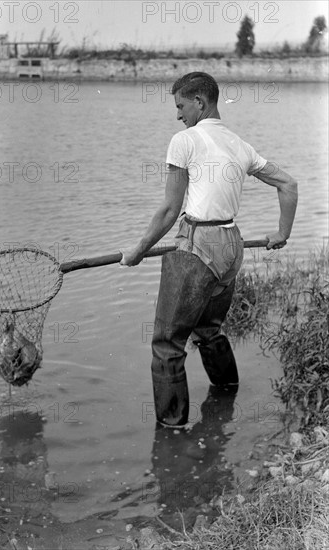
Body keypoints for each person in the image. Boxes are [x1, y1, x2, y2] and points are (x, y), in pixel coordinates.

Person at [120, 72, 298, 428]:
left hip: (199, 246)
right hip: (231, 245)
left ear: (199, 102)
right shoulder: (239, 144)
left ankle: (171, 434)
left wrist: (138, 249)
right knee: (207, 330)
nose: (178, 115)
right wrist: (282, 233)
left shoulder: (184, 140)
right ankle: (226, 396)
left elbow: (171, 210)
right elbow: (288, 184)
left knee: (167, 344)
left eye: (181, 106)